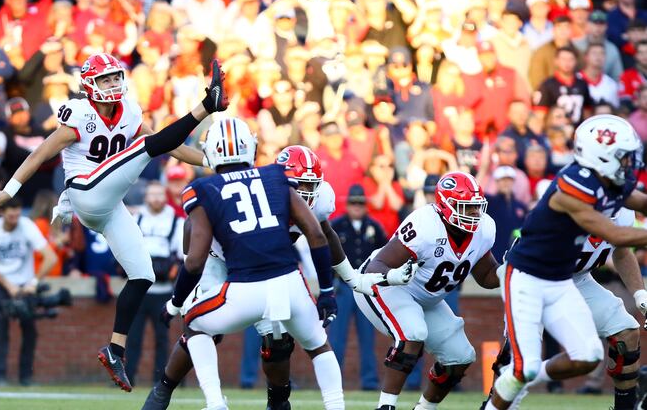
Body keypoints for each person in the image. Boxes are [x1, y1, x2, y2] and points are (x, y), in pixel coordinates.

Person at [0, 54, 227, 391]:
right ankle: (205, 106)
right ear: (89, 85)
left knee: (143, 275)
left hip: (110, 204)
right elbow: (40, 154)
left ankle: (115, 349)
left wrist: (220, 161)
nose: (112, 84)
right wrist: (9, 192)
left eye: (115, 78)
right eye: (105, 79)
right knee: (144, 146)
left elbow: (172, 147)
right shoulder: (79, 113)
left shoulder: (131, 112)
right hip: (85, 192)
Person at [147, 144, 387, 410]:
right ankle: (164, 389)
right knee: (205, 329)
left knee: (279, 341)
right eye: (299, 186)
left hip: (265, 269)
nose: (305, 194)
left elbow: (324, 235)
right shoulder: (261, 188)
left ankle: (278, 400)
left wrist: (348, 278)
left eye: (311, 186)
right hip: (218, 260)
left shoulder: (316, 200)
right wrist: (191, 266)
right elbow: (192, 230)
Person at [484, 115, 647, 410]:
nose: (629, 164)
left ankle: (521, 376)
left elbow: (642, 203)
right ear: (601, 157)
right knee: (523, 364)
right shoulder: (572, 187)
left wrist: (640, 294)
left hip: (566, 279)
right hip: (527, 276)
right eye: (623, 157)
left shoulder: (607, 181)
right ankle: (503, 393)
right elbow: (614, 234)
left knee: (587, 356)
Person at [355, 172, 501, 410]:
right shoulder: (425, 225)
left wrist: (510, 271)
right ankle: (385, 407)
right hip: (389, 286)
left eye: (476, 208)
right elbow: (377, 266)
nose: (474, 215)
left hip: (428, 298)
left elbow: (486, 276)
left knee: (460, 356)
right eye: (466, 208)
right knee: (412, 332)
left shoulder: (484, 229)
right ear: (446, 206)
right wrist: (392, 276)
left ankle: (423, 408)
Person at [501, 208, 647, 409]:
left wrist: (640, 294)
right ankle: (497, 400)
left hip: (579, 278)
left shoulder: (623, 211)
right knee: (521, 356)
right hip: (533, 275)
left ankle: (626, 407)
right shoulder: (567, 207)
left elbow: (621, 252)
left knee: (627, 331)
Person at [0, 197, 58, 386]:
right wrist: (8, 285)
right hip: (2, 283)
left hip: (25, 283)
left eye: (17, 211)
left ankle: (26, 377)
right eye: (10, 213)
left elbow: (50, 257)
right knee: (0, 326)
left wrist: (34, 282)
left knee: (30, 329)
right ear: (1, 213)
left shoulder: (27, 225)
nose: (15, 216)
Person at [126, 181, 184, 386]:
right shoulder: (136, 218)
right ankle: (127, 377)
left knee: (162, 339)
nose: (157, 199)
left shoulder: (176, 221)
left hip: (164, 290)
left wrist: (170, 269)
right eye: (152, 195)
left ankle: (161, 379)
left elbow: (180, 255)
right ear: (146, 197)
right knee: (132, 337)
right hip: (140, 289)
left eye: (160, 194)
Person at [329, 184, 386, 391]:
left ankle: (369, 380)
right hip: (343, 288)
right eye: (353, 202)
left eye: (360, 203)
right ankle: (333, 382)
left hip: (366, 289)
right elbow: (326, 256)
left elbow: (385, 254)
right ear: (347, 204)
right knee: (336, 338)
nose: (357, 206)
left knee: (368, 337)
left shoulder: (374, 227)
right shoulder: (336, 226)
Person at [485, 166, 528, 261]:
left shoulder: (521, 206)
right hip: (494, 254)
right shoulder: (489, 202)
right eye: (502, 180)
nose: (506, 183)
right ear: (496, 182)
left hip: (515, 255)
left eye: (509, 180)